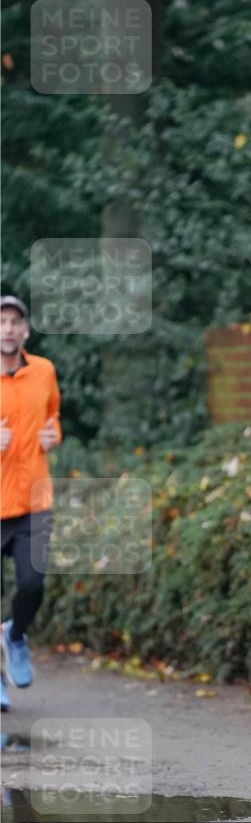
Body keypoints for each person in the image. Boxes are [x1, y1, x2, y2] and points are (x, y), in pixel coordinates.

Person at [0, 295, 62, 711]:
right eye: (1, 321)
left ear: (26, 329)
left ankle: (15, 634)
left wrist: (54, 434)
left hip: (35, 498)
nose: (8, 328)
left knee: (33, 585)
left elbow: (54, 416)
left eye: (15, 321)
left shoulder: (44, 371)